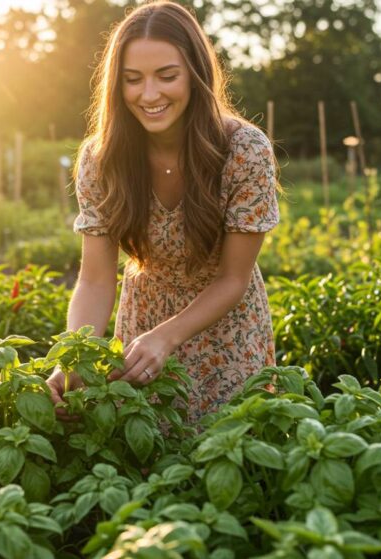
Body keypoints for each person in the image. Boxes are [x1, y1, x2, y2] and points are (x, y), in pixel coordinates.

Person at [46, 0, 283, 425]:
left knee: (226, 454)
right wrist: (73, 356)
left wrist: (166, 338)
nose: (149, 94)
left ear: (195, 74)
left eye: (167, 76)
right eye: (132, 80)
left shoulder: (244, 150)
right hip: (143, 324)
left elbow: (234, 277)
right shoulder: (101, 159)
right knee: (146, 455)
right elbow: (96, 278)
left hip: (226, 331)